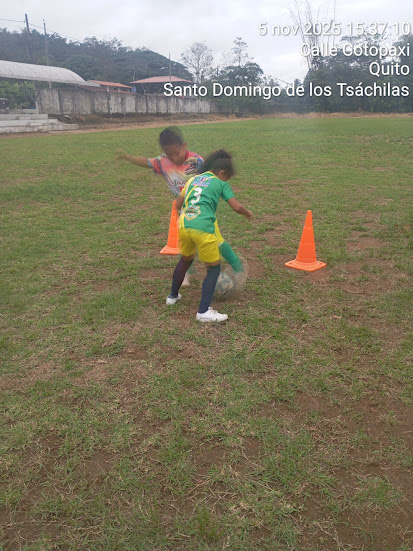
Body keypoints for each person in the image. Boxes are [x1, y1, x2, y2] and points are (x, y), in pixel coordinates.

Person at [116, 127, 245, 285]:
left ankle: (237, 267)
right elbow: (146, 162)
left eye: (176, 153)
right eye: (169, 154)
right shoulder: (162, 162)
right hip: (182, 208)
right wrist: (128, 157)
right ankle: (188, 272)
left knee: (216, 240)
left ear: (184, 145)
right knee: (185, 241)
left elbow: (213, 177)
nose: (173, 157)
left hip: (201, 208)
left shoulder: (196, 161)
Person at [167, 150, 252, 322]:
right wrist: (247, 213)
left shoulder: (192, 180)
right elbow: (236, 207)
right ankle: (203, 312)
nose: (225, 181)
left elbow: (177, 204)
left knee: (185, 260)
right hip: (204, 228)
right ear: (221, 173)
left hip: (184, 225)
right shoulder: (220, 184)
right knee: (213, 268)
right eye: (226, 178)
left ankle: (172, 297)